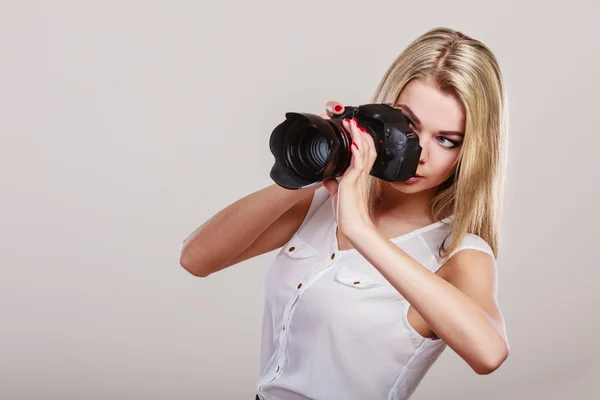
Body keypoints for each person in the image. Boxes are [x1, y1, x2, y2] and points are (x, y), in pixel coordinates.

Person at [180, 26, 510, 400]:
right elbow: (196, 259)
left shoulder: (459, 253)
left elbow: (490, 353)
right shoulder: (323, 203)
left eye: (447, 140)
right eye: (408, 126)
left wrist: (360, 229)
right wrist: (317, 167)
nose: (420, 154)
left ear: (473, 152)